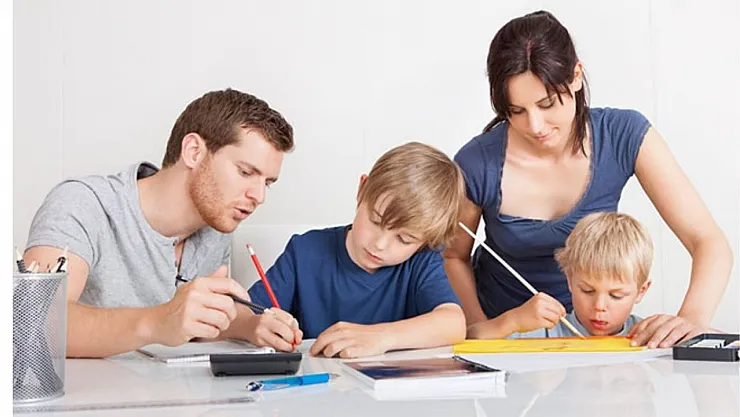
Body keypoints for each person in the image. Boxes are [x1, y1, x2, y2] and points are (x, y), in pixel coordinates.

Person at [443, 10, 732, 348]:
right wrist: (484, 331)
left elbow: (708, 241)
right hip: (508, 339)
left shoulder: (624, 135)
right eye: (516, 111)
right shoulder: (476, 161)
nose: (535, 126)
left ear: (576, 76)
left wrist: (692, 319)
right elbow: (453, 256)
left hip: (593, 337)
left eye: (547, 103)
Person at [22, 88, 300, 358]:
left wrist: (251, 326)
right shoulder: (82, 204)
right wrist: (157, 322)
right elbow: (36, 321)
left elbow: (195, 323)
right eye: (245, 172)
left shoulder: (215, 228)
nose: (259, 197)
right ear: (194, 151)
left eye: (267, 183)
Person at [244, 142, 467, 358]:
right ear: (362, 189)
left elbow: (453, 323)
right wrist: (255, 326)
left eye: (404, 239)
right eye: (376, 221)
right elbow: (244, 312)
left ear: (425, 241)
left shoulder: (421, 262)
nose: (380, 244)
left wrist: (381, 337)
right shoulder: (305, 252)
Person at [468, 212, 652, 339]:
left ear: (641, 291)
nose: (599, 306)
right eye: (587, 291)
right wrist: (512, 321)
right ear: (570, 280)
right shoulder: (545, 330)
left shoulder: (648, 335)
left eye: (616, 295)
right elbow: (469, 339)